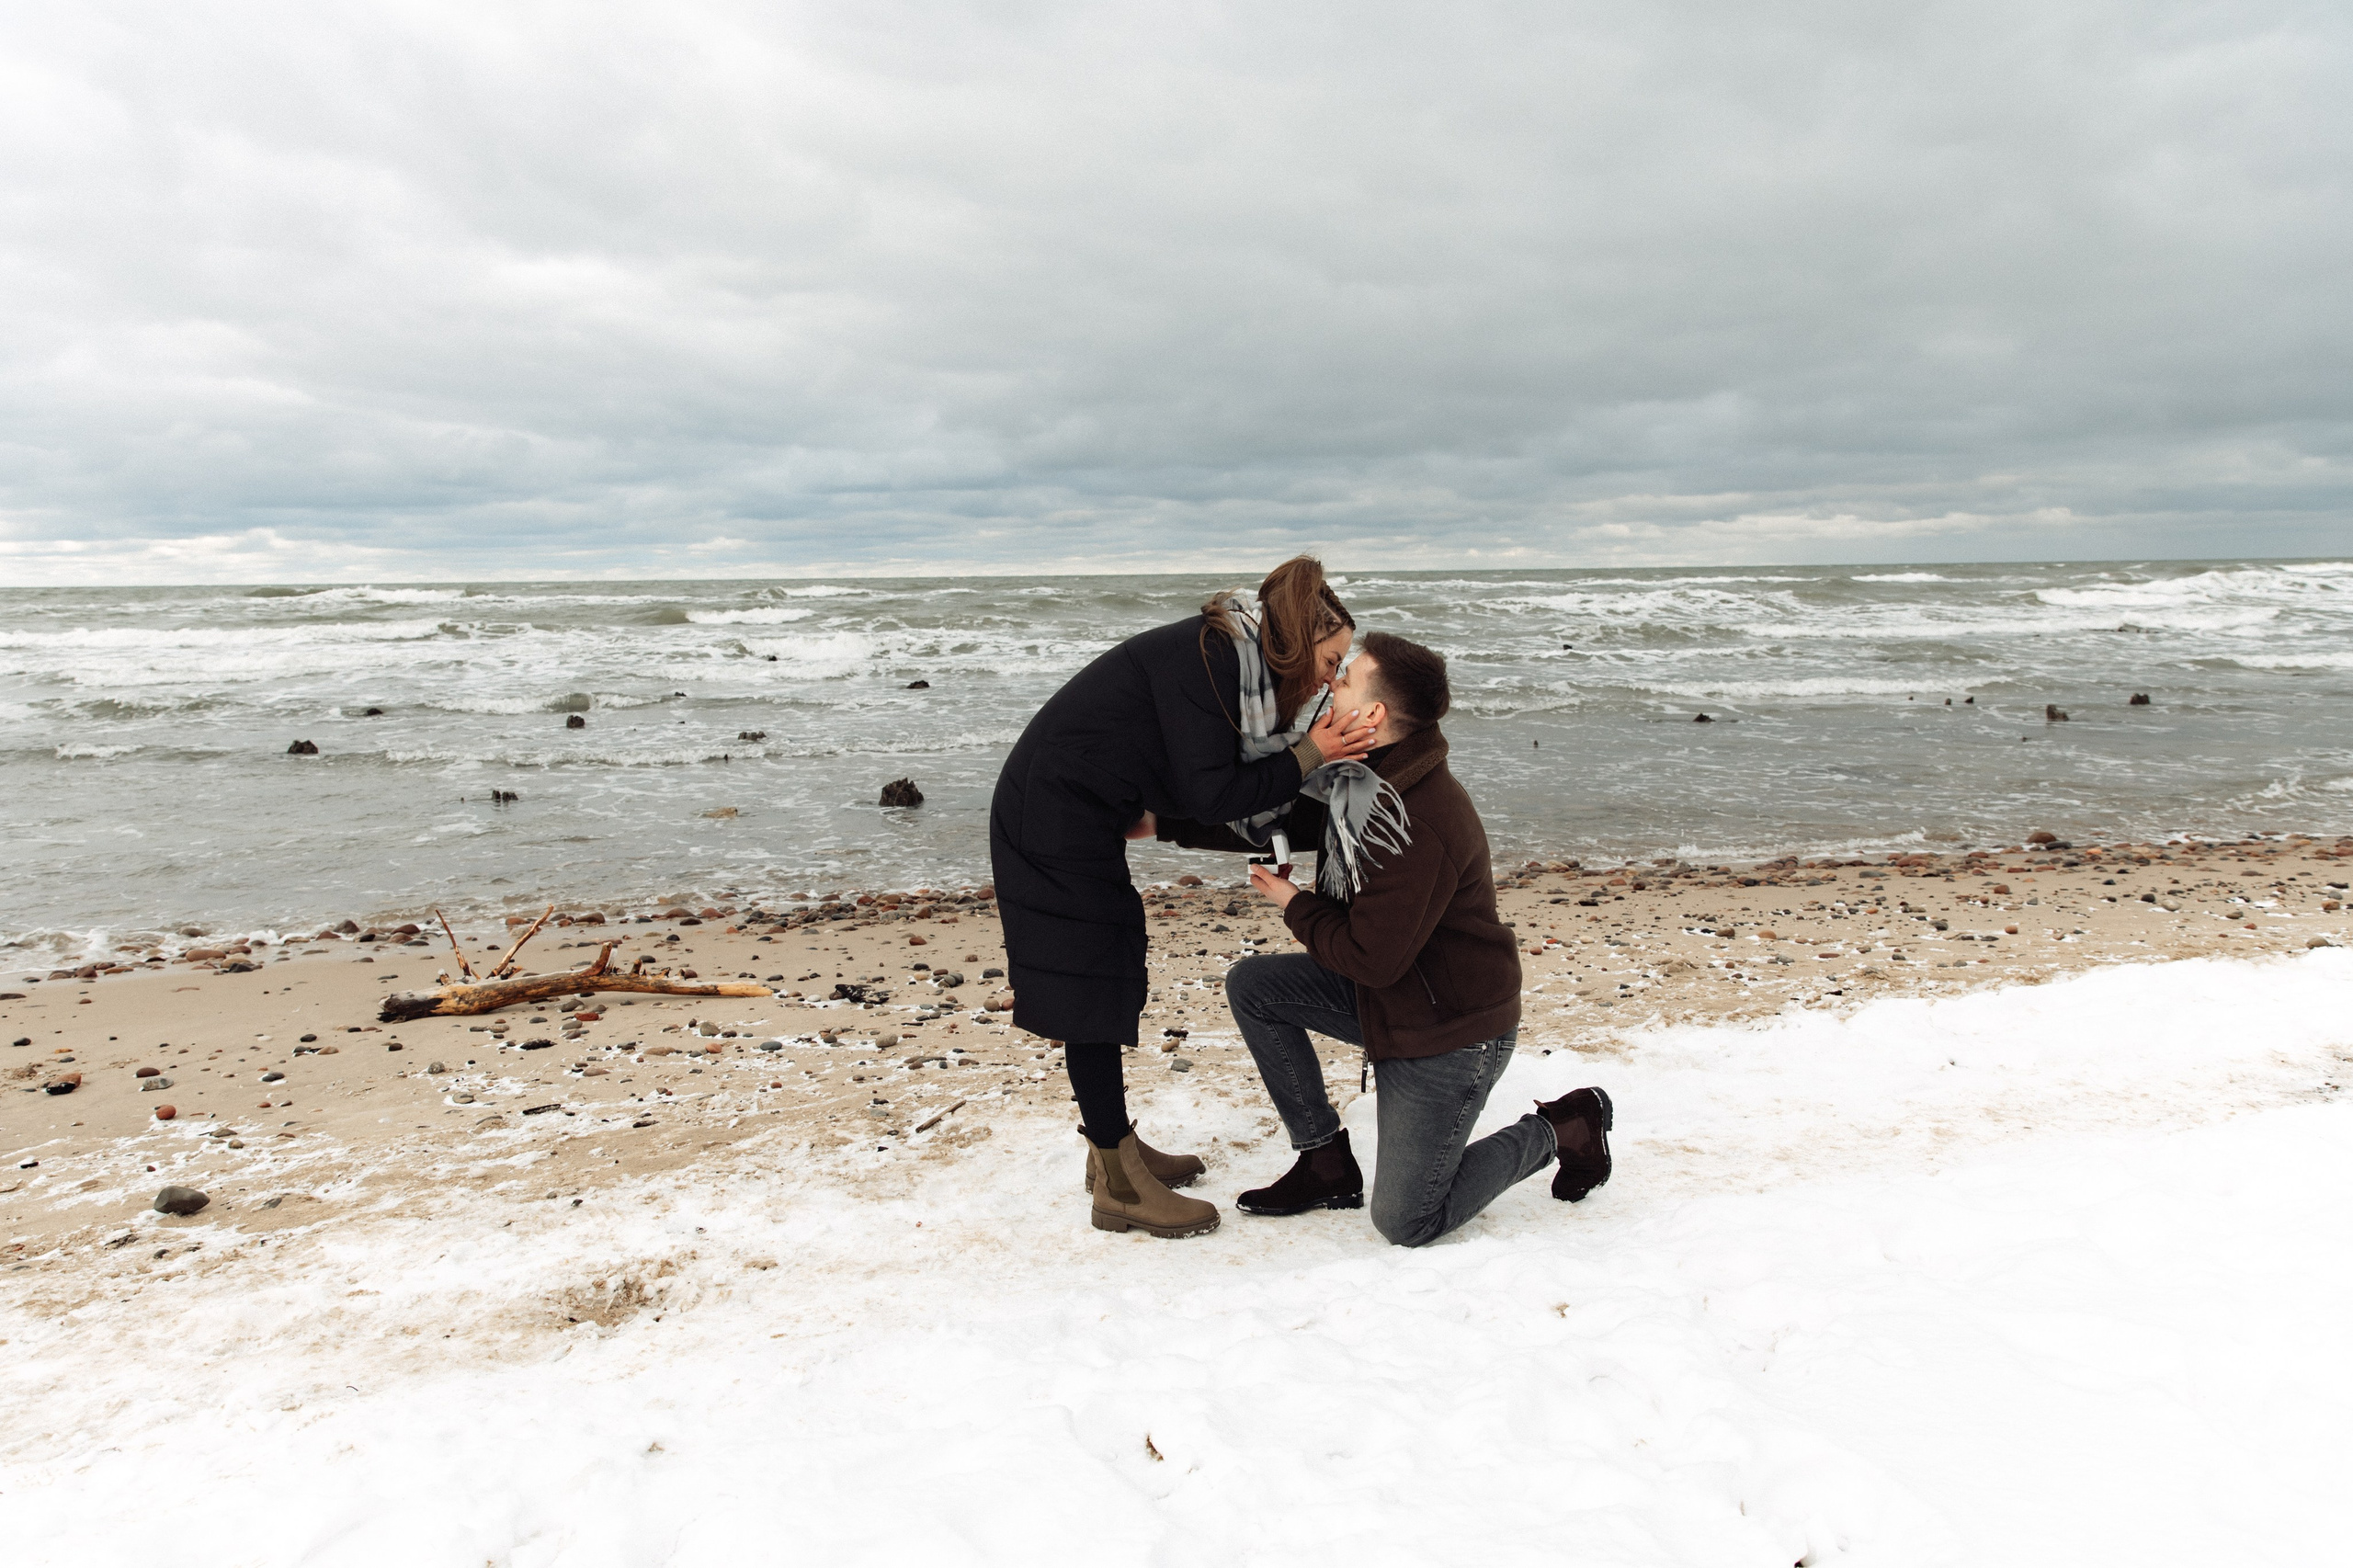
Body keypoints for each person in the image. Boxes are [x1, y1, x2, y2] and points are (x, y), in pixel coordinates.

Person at [1155, 631, 1614, 1246]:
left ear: (1372, 714)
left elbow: (1369, 959)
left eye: (1343, 679)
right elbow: (1280, 813)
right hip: (1396, 999)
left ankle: (1565, 1128)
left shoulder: (1416, 817)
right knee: (1255, 988)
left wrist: (1294, 902)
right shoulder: (1365, 777)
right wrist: (1160, 824)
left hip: (1450, 1032)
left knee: (1407, 1220)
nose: (1328, 685)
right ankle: (1324, 1161)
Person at [991, 556, 1378, 1239]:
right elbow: (1215, 792)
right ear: (1294, 640)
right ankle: (1118, 1184)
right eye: (1330, 659)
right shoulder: (1215, 659)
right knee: (1092, 981)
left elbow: (1200, 780)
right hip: (1049, 808)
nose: (1328, 679)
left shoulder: (1231, 660)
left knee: (1108, 961)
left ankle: (1114, 1147)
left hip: (1083, 805)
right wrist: (1312, 754)